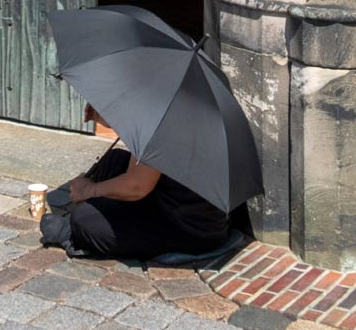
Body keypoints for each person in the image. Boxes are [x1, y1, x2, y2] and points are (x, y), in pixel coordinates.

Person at [49, 104, 229, 259]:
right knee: (114, 160)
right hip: (175, 197)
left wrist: (89, 190)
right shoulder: (169, 107)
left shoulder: (160, 120)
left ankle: (82, 225)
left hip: (192, 228)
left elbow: (137, 187)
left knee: (84, 221)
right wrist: (110, 120)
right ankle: (102, 208)